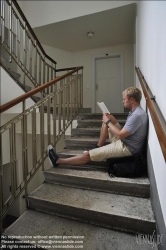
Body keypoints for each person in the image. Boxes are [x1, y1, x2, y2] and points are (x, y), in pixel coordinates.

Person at [47, 87, 148, 168]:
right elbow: (125, 132)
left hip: (128, 148)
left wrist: (108, 122)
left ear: (132, 100)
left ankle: (58, 161)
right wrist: (108, 120)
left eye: (124, 99)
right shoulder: (135, 112)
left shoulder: (136, 116)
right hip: (127, 141)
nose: (122, 101)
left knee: (89, 155)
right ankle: (99, 146)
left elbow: (120, 135)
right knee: (109, 117)